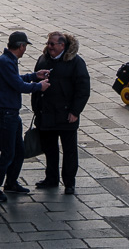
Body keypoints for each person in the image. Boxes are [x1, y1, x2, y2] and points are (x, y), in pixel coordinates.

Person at [0, 31, 50, 204]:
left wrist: (34, 76)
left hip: (11, 114)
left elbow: (15, 79)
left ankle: (11, 182)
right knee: (8, 153)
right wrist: (38, 86)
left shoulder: (8, 60)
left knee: (19, 151)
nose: (25, 51)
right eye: (25, 47)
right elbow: (18, 85)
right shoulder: (5, 62)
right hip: (6, 114)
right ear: (21, 46)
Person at [31, 31, 90, 195]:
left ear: (62, 46)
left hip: (66, 115)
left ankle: (69, 182)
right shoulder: (43, 60)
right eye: (48, 43)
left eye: (52, 44)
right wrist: (37, 108)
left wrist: (75, 111)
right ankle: (51, 178)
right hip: (47, 113)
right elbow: (36, 85)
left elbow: (83, 89)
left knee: (69, 151)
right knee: (49, 149)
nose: (49, 47)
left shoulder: (76, 62)